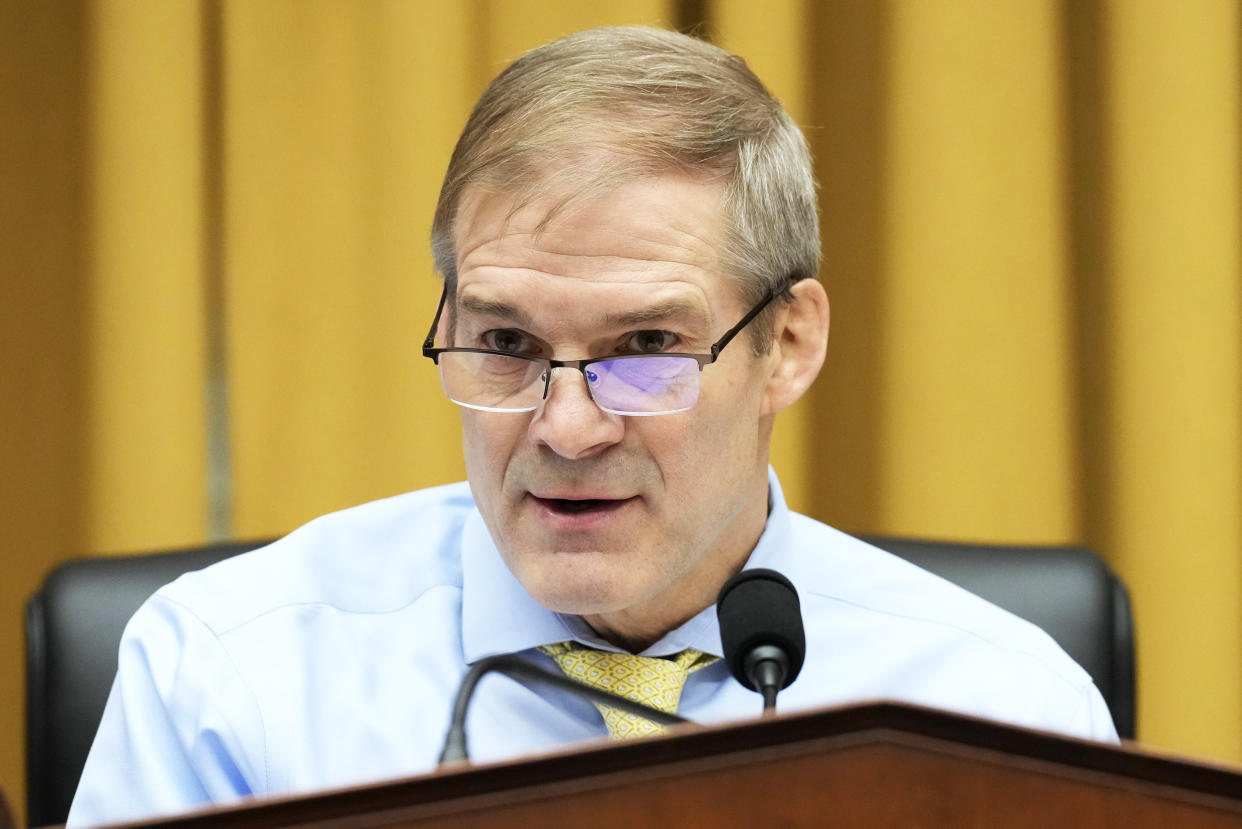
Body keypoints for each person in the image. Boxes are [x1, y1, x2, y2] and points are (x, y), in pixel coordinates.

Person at [68, 26, 1117, 828]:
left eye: (648, 345)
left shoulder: (999, 712)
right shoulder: (233, 673)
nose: (566, 430)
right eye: (508, 344)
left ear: (786, 343)